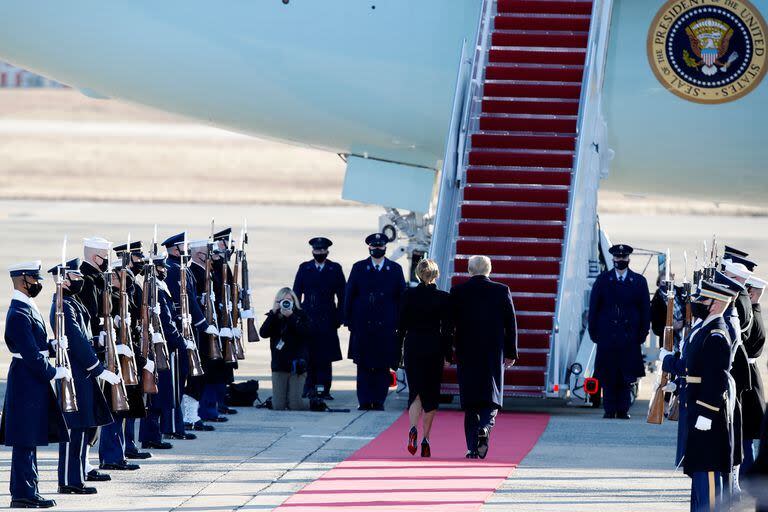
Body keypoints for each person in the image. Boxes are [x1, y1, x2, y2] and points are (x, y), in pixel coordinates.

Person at [1, 261, 69, 508]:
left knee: (29, 439)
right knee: (24, 440)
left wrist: (52, 346)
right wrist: (53, 372)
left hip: (30, 380)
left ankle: (29, 490)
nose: (38, 283)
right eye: (34, 279)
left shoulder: (25, 308)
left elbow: (35, 344)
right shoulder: (18, 312)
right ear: (22, 280)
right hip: (26, 380)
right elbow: (29, 352)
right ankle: (22, 494)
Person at [48, 258, 115, 495]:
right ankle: (68, 480)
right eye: (76, 277)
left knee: (84, 426)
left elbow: (83, 335)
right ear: (65, 281)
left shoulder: (71, 302)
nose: (80, 280)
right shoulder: (62, 305)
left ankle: (77, 476)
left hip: (82, 373)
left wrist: (99, 342)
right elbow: (75, 341)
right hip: (76, 373)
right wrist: (97, 367)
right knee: (75, 428)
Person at [449, 255, 517, 459]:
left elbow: (450, 325)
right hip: (492, 352)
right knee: (492, 397)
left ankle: (471, 448)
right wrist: (511, 352)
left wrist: (450, 350)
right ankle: (485, 427)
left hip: (466, 352)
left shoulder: (458, 291)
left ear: (469, 271)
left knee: (470, 402)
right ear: (489, 270)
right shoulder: (501, 290)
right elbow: (510, 324)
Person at [681, 280, 737, 512]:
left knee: (709, 475)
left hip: (709, 416)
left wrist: (706, 413)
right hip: (698, 409)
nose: (699, 303)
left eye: (704, 299)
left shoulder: (716, 334)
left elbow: (716, 380)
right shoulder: (705, 329)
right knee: (699, 472)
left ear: (716, 304)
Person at [396, 259, 451, 458]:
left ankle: (413, 428)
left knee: (416, 392)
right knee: (431, 393)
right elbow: (447, 330)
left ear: (418, 274)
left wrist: (397, 354)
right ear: (435, 275)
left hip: (413, 346)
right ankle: (426, 438)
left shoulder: (408, 295)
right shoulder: (443, 298)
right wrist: (448, 354)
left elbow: (400, 327)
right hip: (433, 346)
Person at [587, 244, 650, 420]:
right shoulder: (603, 280)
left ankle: (622, 409)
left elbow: (645, 310)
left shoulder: (638, 281)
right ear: (613, 259)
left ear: (628, 259)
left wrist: (642, 333)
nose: (620, 260)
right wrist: (594, 332)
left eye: (623, 258)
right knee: (608, 374)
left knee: (626, 375)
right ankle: (609, 409)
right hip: (608, 336)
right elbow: (594, 308)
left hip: (629, 337)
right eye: (617, 258)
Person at [345, 233, 406, 411]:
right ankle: (364, 400)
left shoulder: (394, 269)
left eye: (380, 247)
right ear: (369, 248)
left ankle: (378, 400)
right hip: (363, 324)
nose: (377, 249)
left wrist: (400, 322)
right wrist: (348, 319)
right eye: (374, 247)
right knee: (363, 365)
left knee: (382, 364)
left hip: (385, 325)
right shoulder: (359, 267)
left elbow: (401, 296)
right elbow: (350, 294)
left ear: (385, 248)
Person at [162, 233, 216, 432]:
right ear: (176, 250)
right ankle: (187, 417)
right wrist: (203, 324)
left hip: (189, 326)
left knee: (193, 372)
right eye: (184, 248)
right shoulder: (175, 270)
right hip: (186, 328)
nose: (187, 251)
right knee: (189, 373)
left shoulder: (180, 268)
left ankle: (189, 416)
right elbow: (187, 301)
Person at [292, 237, 346, 400]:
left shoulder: (334, 269)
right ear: (312, 251)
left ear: (327, 251)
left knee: (325, 357)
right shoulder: (305, 268)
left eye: (322, 251)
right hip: (308, 318)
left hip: (327, 319)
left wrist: (339, 317)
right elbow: (296, 293)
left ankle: (323, 389)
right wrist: (298, 316)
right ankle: (308, 388)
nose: (320, 253)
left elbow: (343, 296)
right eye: (317, 250)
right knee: (307, 355)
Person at [259, 288, 310, 410]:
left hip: (296, 366)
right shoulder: (274, 316)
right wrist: (273, 313)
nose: (286, 303)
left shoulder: (301, 315)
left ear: (294, 301)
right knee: (278, 406)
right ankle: (285, 399)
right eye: (282, 300)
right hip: (279, 365)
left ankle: (314, 402)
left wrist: (291, 316)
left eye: (289, 300)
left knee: (295, 405)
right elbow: (263, 333)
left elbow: (306, 333)